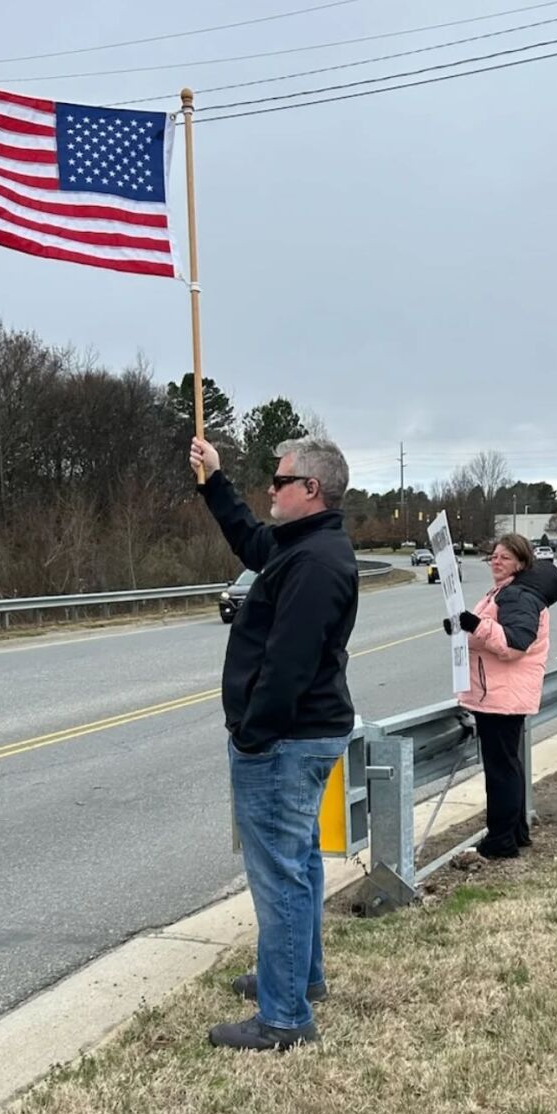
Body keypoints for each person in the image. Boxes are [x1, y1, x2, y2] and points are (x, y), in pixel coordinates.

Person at [190, 433, 358, 1053]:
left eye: (280, 481)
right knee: (302, 861)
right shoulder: (301, 546)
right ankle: (298, 977)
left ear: (310, 489)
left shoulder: (316, 562)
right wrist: (214, 480)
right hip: (302, 736)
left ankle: (283, 1016)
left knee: (280, 875)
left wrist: (252, 735)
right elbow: (253, 542)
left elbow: (286, 666)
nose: (271, 490)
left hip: (286, 741)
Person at [446, 533, 557, 858]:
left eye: (505, 558)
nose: (497, 562)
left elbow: (513, 645)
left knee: (501, 770)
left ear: (522, 563)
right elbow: (489, 634)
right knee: (507, 765)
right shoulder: (508, 592)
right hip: (499, 692)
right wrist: (463, 629)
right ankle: (515, 832)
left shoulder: (517, 596)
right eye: (494, 556)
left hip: (501, 695)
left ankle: (501, 840)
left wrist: (476, 626)